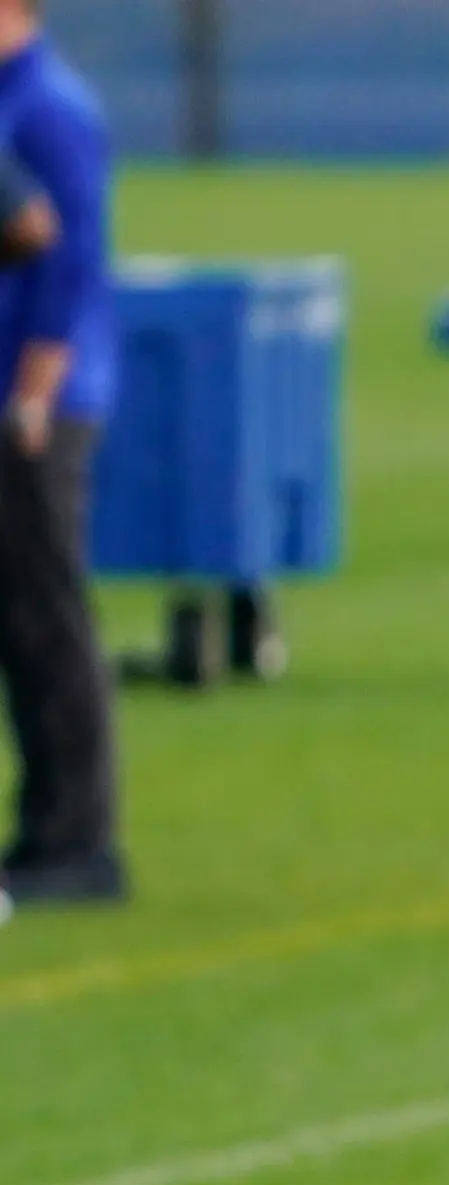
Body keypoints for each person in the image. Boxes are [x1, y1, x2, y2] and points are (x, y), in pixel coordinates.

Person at [0, 0, 121, 909]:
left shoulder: (51, 106)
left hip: (39, 405)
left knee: (46, 621)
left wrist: (36, 392)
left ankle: (76, 844)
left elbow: (68, 261)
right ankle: (44, 833)